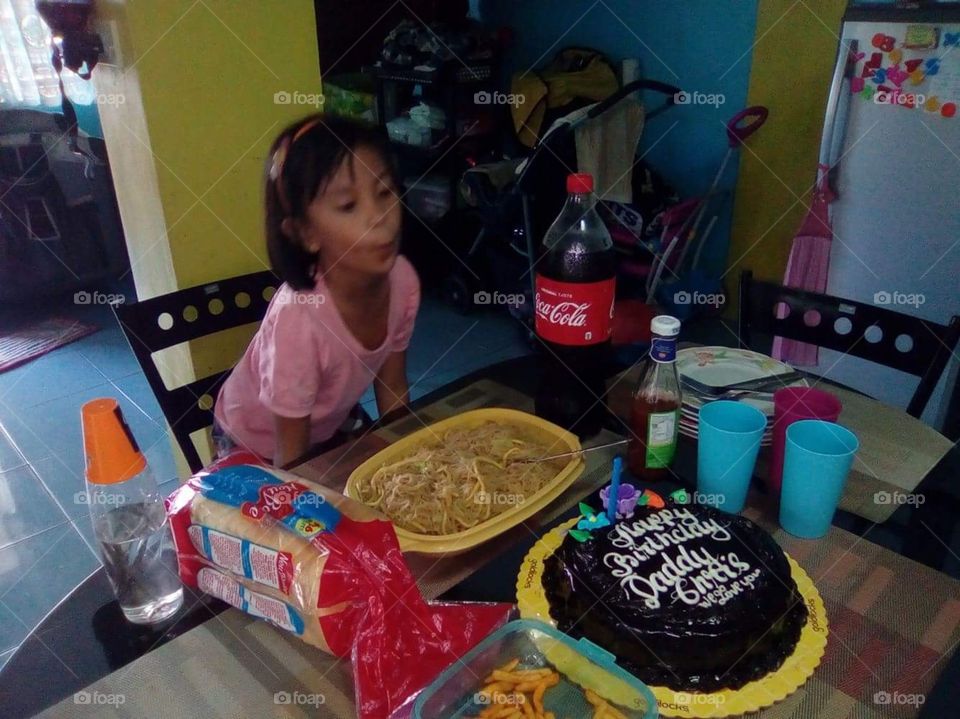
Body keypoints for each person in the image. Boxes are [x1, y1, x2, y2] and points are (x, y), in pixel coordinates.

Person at [214, 114, 419, 467]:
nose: (379, 217)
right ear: (305, 233)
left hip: (328, 421)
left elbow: (393, 389)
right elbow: (291, 458)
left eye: (385, 192)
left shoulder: (402, 280)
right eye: (348, 206)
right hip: (257, 443)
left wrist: (414, 463)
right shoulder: (299, 320)